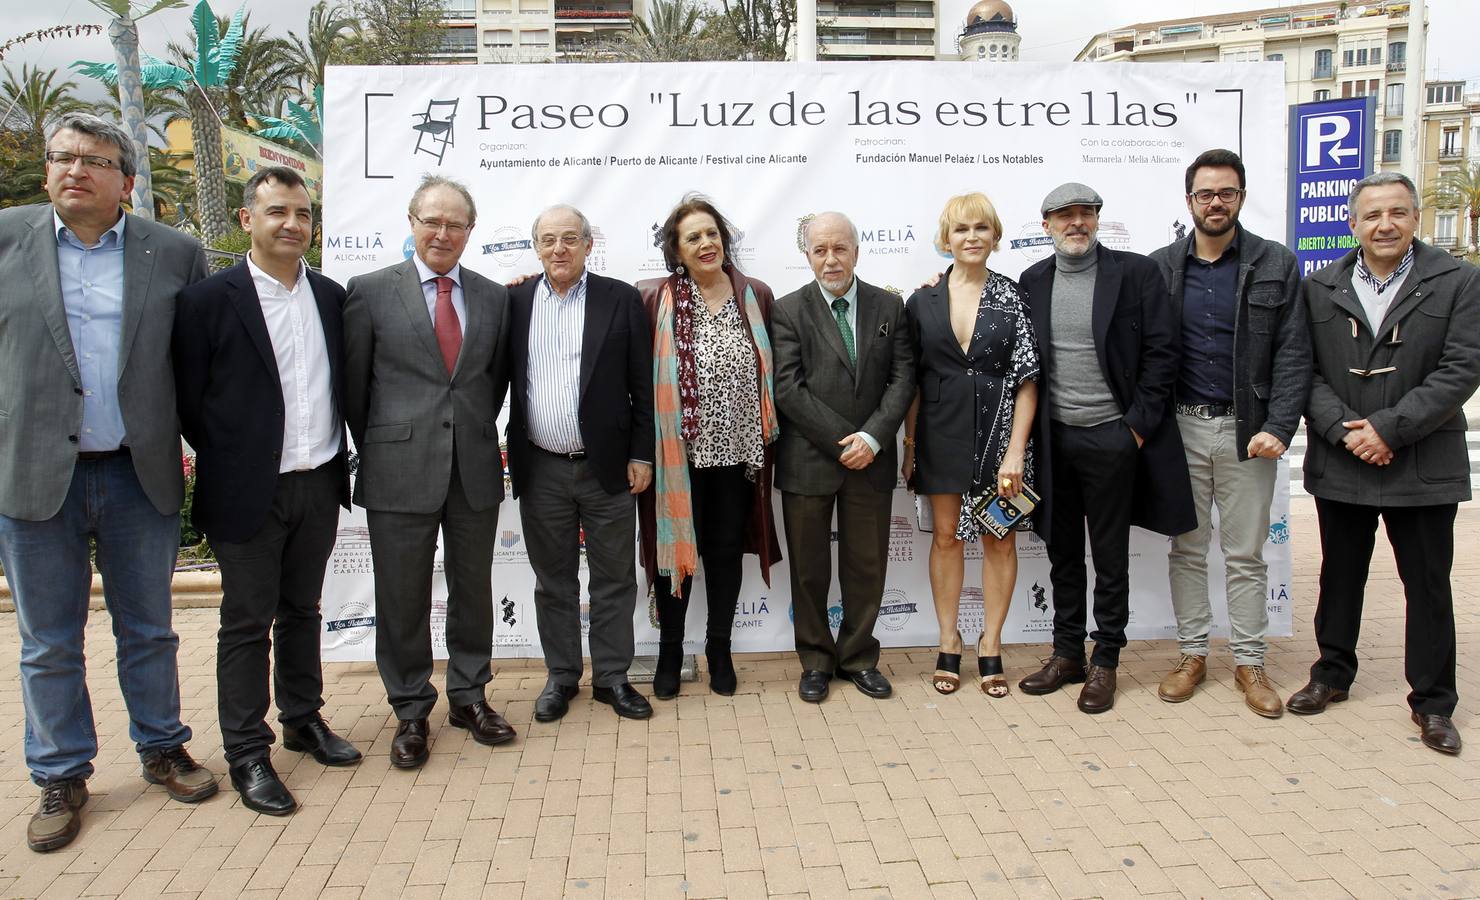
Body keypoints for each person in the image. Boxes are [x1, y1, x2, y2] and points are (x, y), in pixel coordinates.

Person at [0, 113, 217, 853]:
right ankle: (60, 773)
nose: (74, 171)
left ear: (125, 180)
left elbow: (198, 364)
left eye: (93, 161)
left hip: (137, 472)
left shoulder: (174, 252)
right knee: (47, 641)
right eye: (62, 157)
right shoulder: (6, 240)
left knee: (149, 630)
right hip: (36, 478)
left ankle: (162, 746)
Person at [174, 166, 361, 816]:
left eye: (303, 213)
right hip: (247, 491)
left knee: (303, 610)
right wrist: (238, 456)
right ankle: (248, 753)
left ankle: (303, 720)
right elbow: (192, 402)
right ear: (246, 219)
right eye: (277, 210)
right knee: (246, 624)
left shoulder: (333, 298)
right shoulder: (207, 301)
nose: (292, 223)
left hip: (318, 482)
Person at [1289, 172, 1480, 755]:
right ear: (1353, 223)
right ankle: (1331, 675)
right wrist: (1348, 435)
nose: (1385, 224)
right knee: (1339, 575)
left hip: (1421, 461)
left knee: (1426, 584)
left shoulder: (1458, 281)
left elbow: (1462, 366)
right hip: (1344, 458)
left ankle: (1433, 703)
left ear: (1415, 218)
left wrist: (1388, 429)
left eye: (1397, 212)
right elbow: (1305, 371)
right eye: (1372, 215)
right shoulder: (1319, 286)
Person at [344, 175, 516, 769]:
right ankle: (411, 709)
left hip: (471, 466)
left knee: (473, 591)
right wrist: (395, 437)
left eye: (455, 224)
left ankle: (470, 697)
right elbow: (355, 389)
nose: (443, 233)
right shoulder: (367, 291)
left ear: (471, 231)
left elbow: (491, 384)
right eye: (432, 221)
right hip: (397, 468)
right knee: (401, 597)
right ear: (412, 222)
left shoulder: (495, 298)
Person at [1016, 183, 1194, 714]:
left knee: (1111, 556)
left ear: (1097, 219)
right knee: (1062, 553)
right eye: (1064, 216)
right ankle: (1067, 653)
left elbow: (1164, 354)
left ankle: (1106, 661)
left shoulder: (1136, 274)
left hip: (1113, 438)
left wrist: (1133, 430)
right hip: (1054, 441)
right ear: (1045, 224)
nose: (1076, 223)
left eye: (1085, 214)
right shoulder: (1032, 280)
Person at [1148, 149, 1311, 718]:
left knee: (1245, 554)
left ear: (1241, 197)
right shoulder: (1160, 267)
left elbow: (1295, 353)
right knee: (1187, 549)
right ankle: (1191, 654)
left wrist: (1279, 426)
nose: (1215, 203)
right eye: (1205, 194)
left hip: (1250, 434)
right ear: (1188, 200)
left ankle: (1249, 661)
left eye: (1227, 193)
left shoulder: (1276, 263)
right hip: (1180, 431)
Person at [507, 205, 656, 721]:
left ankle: (613, 678)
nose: (559, 250)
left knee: (615, 578)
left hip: (608, 466)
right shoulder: (516, 300)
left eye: (570, 239)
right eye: (548, 240)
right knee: (553, 580)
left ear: (589, 245)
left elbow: (643, 383)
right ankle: (562, 677)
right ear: (536, 247)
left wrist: (642, 453)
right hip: (541, 465)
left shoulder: (620, 299)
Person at [634, 196, 782, 700]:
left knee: (722, 552)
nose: (706, 243)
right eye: (692, 236)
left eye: (712, 233)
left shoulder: (755, 295)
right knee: (673, 555)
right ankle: (671, 650)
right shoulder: (653, 298)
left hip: (739, 453)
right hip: (677, 455)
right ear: (676, 249)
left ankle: (720, 648)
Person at [902, 194, 1038, 700]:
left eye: (982, 228)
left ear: (995, 236)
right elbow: (911, 380)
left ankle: (991, 643)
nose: (972, 237)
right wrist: (911, 444)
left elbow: (1027, 379)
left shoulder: (1013, 295)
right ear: (947, 240)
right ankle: (948, 640)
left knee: (999, 539)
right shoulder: (922, 301)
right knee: (944, 538)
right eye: (961, 230)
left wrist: (1016, 451)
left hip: (1002, 439)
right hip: (940, 435)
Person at [769, 212, 905, 703]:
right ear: (807, 255)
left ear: (856, 250)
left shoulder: (890, 305)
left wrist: (872, 439)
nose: (831, 259)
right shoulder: (787, 311)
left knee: (866, 567)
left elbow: (902, 379)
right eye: (820, 250)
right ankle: (816, 661)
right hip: (809, 460)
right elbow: (788, 387)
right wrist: (846, 439)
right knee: (808, 570)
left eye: (839, 248)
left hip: (871, 460)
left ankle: (858, 658)